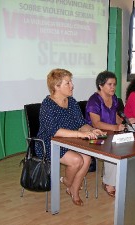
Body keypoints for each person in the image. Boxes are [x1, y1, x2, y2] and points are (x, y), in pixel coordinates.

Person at [35, 68, 106, 206]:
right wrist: (81, 134)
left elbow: (81, 123)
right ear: (56, 86)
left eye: (71, 82)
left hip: (70, 140)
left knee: (86, 158)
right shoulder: (47, 104)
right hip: (49, 142)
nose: (72, 85)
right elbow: (54, 131)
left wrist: (92, 130)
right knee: (76, 160)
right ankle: (67, 181)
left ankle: (73, 189)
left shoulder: (72, 102)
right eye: (67, 83)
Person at [85, 71, 135, 197]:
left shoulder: (114, 98)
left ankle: (122, 178)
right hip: (94, 136)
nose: (113, 87)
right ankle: (109, 182)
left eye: (114, 84)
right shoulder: (94, 100)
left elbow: (116, 117)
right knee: (113, 149)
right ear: (101, 86)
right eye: (110, 84)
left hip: (111, 133)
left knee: (129, 145)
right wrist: (115, 127)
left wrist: (125, 122)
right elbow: (96, 123)